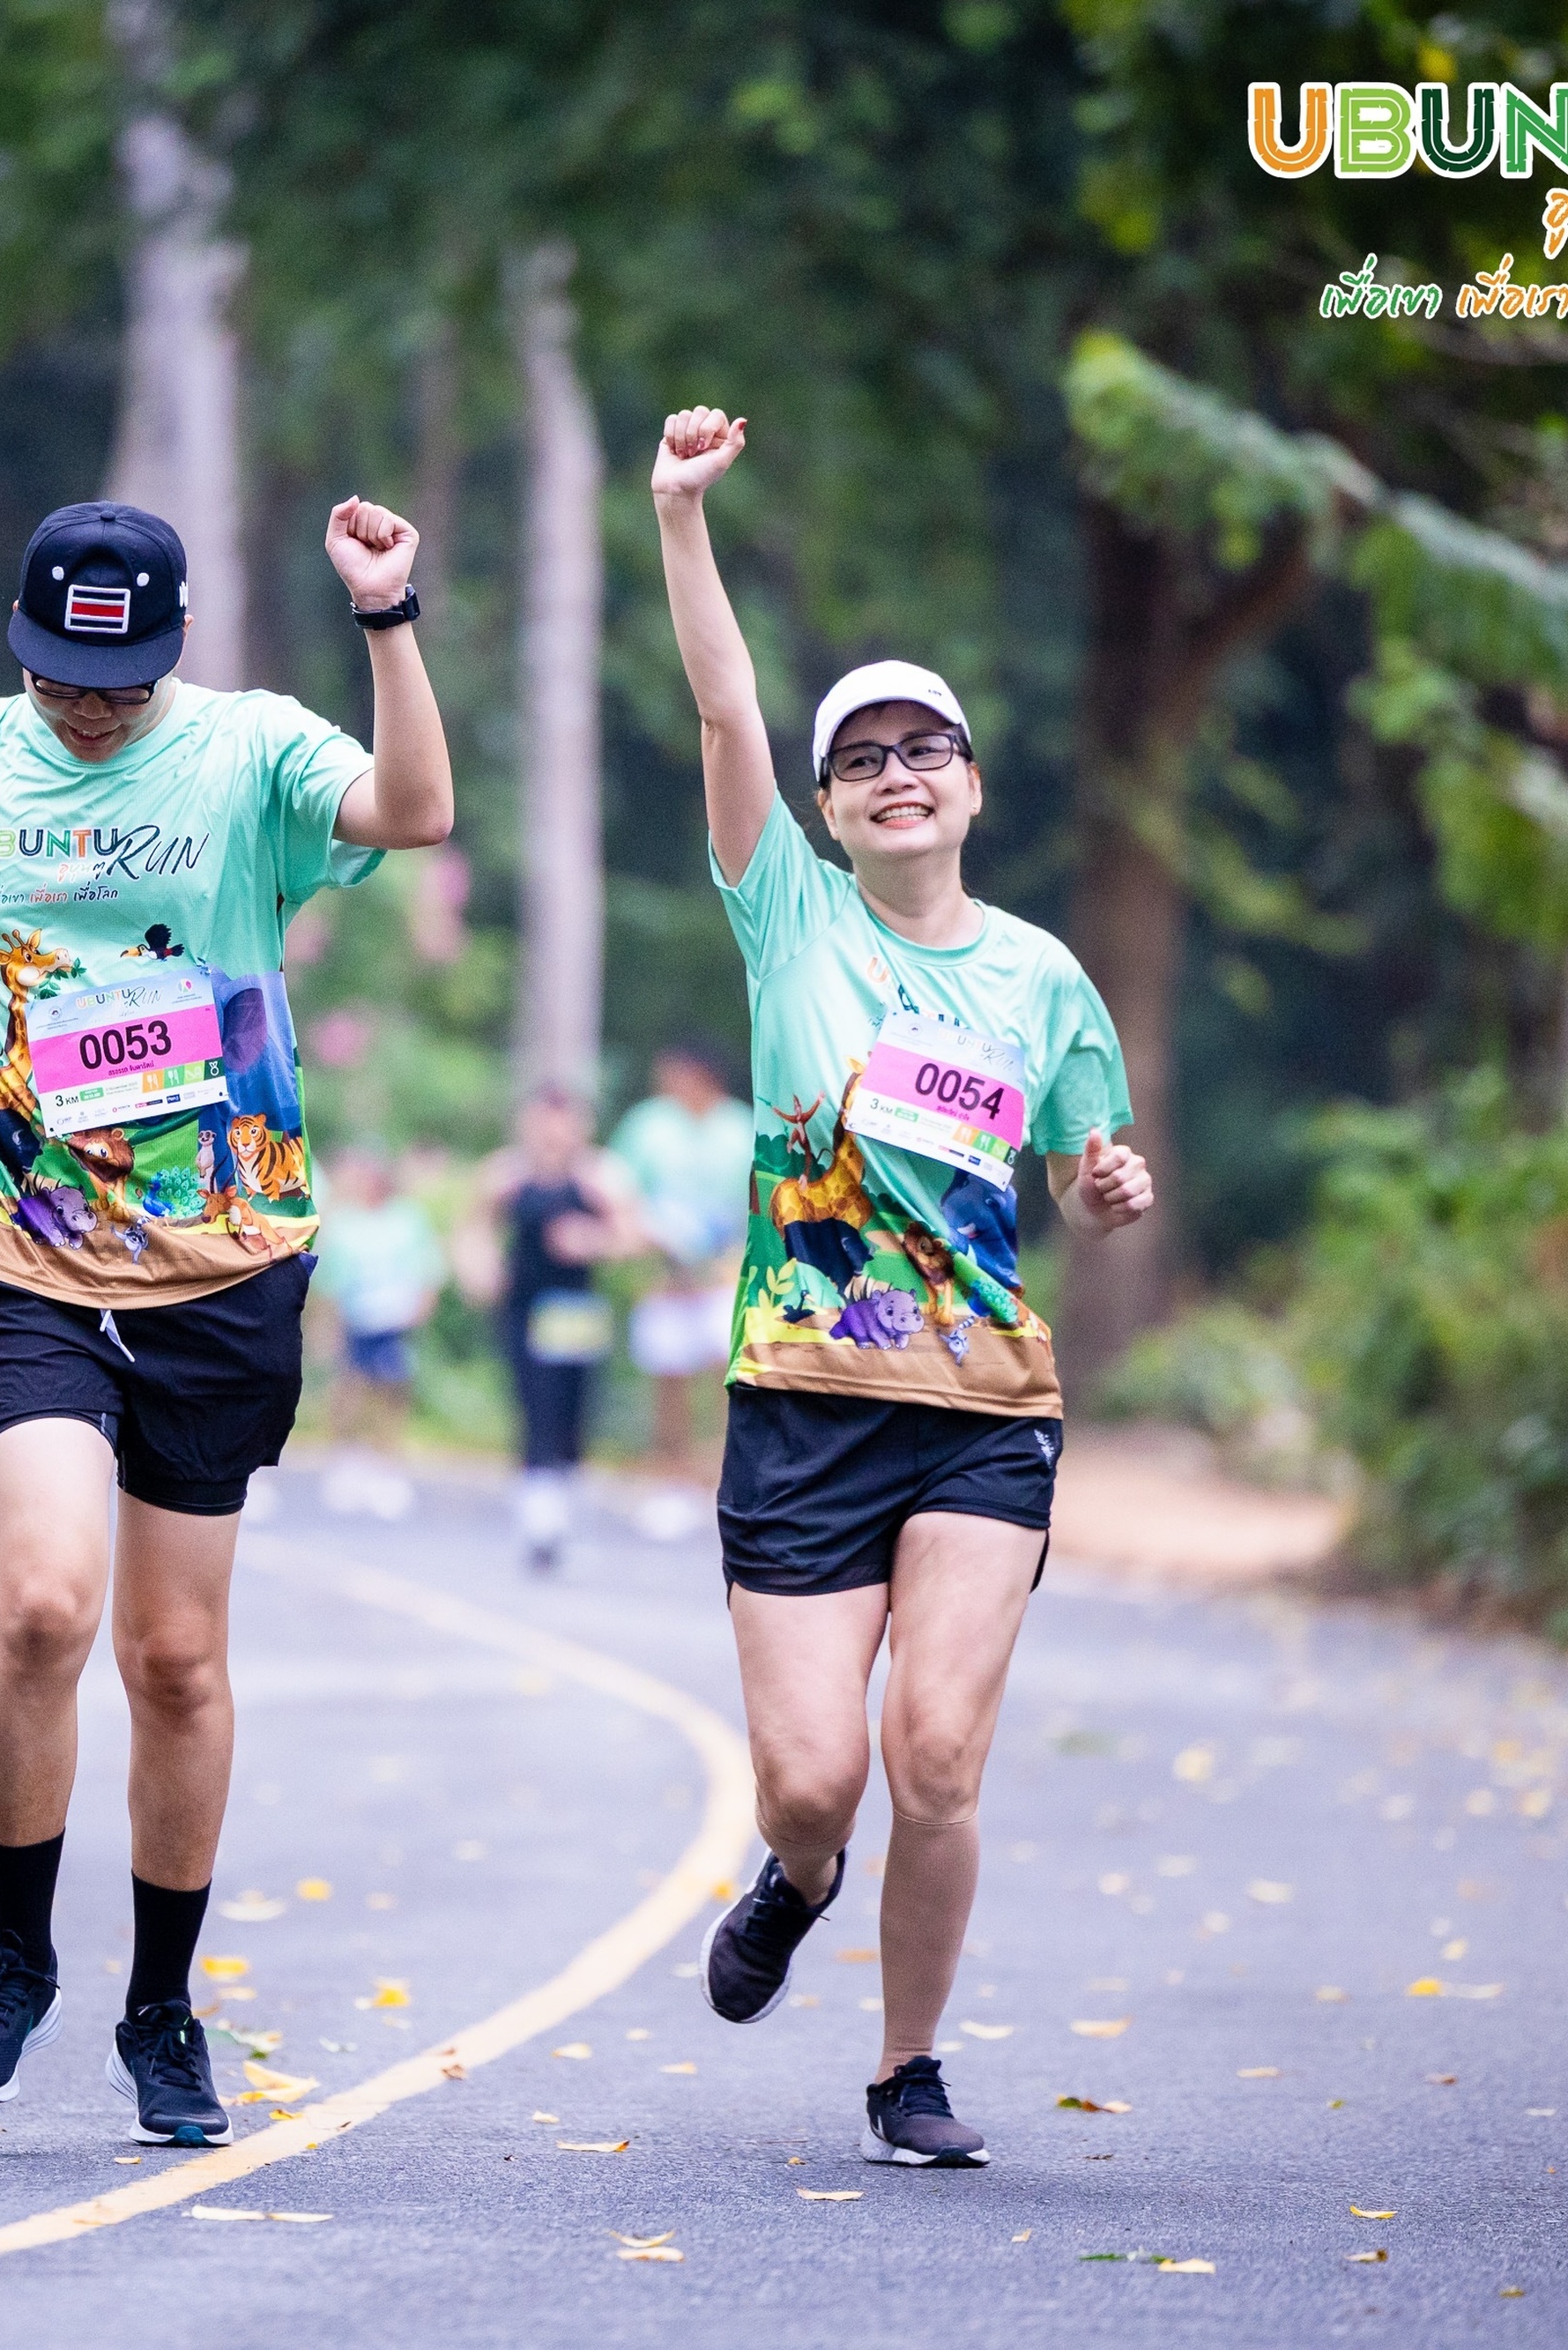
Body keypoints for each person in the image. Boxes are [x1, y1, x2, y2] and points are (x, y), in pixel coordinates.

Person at [0, 494, 450, 2144]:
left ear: (175, 649)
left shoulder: (251, 752)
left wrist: (387, 614)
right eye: (59, 677)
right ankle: (14, 1960)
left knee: (177, 1660)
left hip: (225, 1259)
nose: (85, 708)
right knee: (46, 1607)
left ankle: (162, 2008)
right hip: (29, 1252)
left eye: (117, 684)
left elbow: (416, 809)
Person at [650, 405, 1152, 2168]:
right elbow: (724, 706)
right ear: (825, 808)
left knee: (937, 1753)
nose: (894, 774)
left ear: (971, 785)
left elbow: (1085, 1176)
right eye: (858, 760)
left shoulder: (1043, 982)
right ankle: (796, 1879)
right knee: (815, 1782)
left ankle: (907, 2066)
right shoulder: (790, 922)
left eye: (922, 748)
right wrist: (681, 515)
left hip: (983, 1413)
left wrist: (1106, 1186)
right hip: (803, 1401)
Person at [476, 1089, 642, 1573]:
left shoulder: (600, 1176)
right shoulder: (505, 1175)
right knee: (533, 1404)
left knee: (572, 1409)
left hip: (575, 1311)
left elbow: (633, 1235)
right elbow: (475, 1229)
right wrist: (481, 1267)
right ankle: (538, 1520)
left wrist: (593, 1240)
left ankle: (565, 1508)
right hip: (523, 1308)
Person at [609, 1042, 751, 1478]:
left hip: (725, 1275)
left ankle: (722, 1465)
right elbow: (618, 1191)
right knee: (668, 1371)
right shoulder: (648, 1124)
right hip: (663, 1273)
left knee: (729, 1373)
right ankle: (670, 1463)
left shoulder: (740, 1127)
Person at [310, 1146, 445, 1518]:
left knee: (392, 1392)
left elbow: (427, 1267)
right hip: (356, 1320)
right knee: (349, 1389)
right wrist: (326, 1325)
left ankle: (387, 1467)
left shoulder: (408, 1219)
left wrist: (421, 1307)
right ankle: (344, 1462)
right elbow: (330, 1279)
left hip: (395, 1322)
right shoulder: (346, 1223)